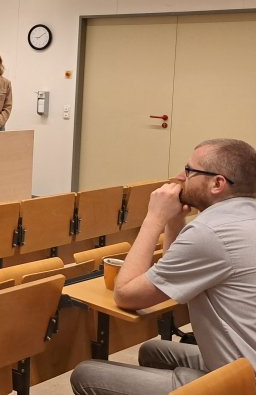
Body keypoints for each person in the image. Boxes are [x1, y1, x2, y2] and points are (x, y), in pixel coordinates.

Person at [70, 138, 256, 394]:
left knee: (87, 374)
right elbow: (171, 274)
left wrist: (154, 217)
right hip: (243, 361)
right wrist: (174, 220)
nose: (182, 177)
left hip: (244, 382)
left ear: (217, 183)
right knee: (153, 350)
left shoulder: (210, 232)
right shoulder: (242, 217)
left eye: (190, 171)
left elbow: (126, 295)